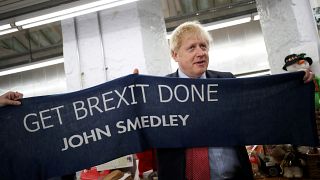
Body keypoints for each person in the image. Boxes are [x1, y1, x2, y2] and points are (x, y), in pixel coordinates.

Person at [155, 21, 314, 180]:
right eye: (192, 47)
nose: (201, 52)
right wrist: (133, 91)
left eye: (203, 46)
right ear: (175, 54)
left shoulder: (227, 81)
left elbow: (261, 104)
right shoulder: (158, 91)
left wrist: (295, 84)